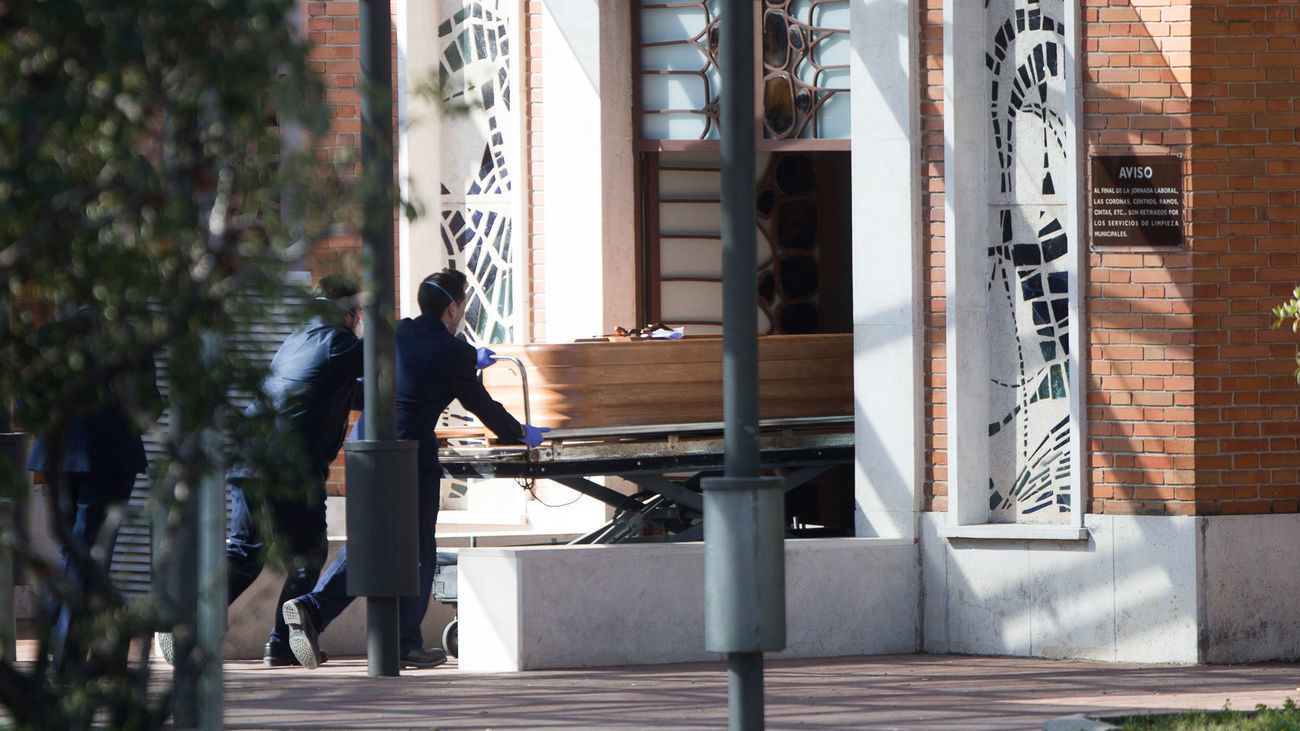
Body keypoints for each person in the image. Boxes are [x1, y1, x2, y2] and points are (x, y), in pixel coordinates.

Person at [281, 268, 549, 670]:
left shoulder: (396, 332)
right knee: (419, 545)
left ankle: (312, 608)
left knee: (372, 538)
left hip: (364, 438)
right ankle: (405, 642)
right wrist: (519, 432)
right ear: (454, 307)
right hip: (406, 448)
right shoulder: (454, 350)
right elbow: (481, 404)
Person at [155, 275, 364, 667]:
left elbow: (339, 391)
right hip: (290, 467)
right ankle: (282, 643)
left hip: (249, 459)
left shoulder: (298, 339)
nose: (360, 319)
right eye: (359, 311)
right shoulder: (339, 342)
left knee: (246, 552)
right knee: (307, 556)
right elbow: (381, 356)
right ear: (347, 309)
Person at [25, 306, 161, 673]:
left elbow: (27, 402)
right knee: (88, 557)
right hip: (109, 457)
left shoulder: (51, 334)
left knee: (74, 554)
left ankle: (61, 648)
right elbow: (150, 404)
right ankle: (66, 660)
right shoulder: (129, 336)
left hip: (57, 458)